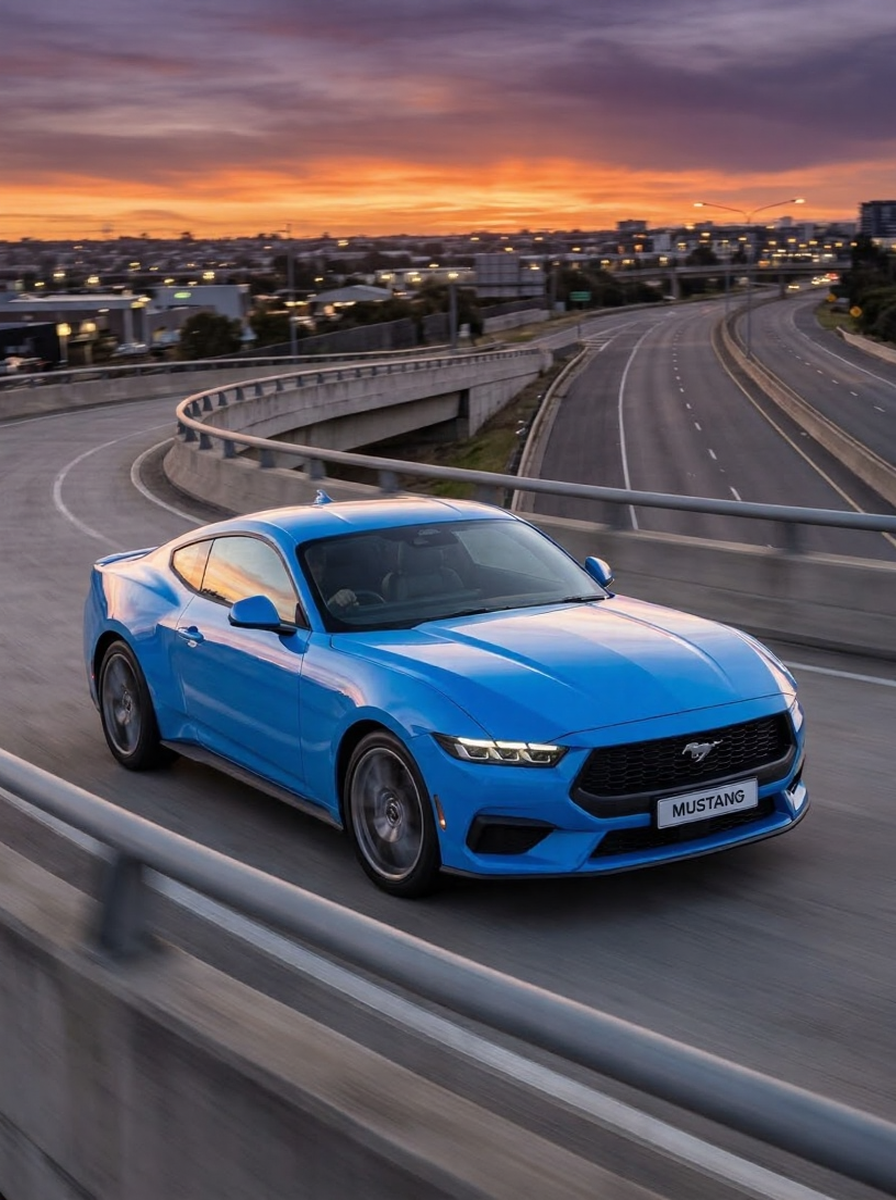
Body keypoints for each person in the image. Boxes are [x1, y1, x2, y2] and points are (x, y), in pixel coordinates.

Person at [305, 544, 358, 612]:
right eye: (312, 563)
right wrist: (331, 605)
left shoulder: (333, 587)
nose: (318, 569)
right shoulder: (300, 591)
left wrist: (349, 599)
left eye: (321, 562)